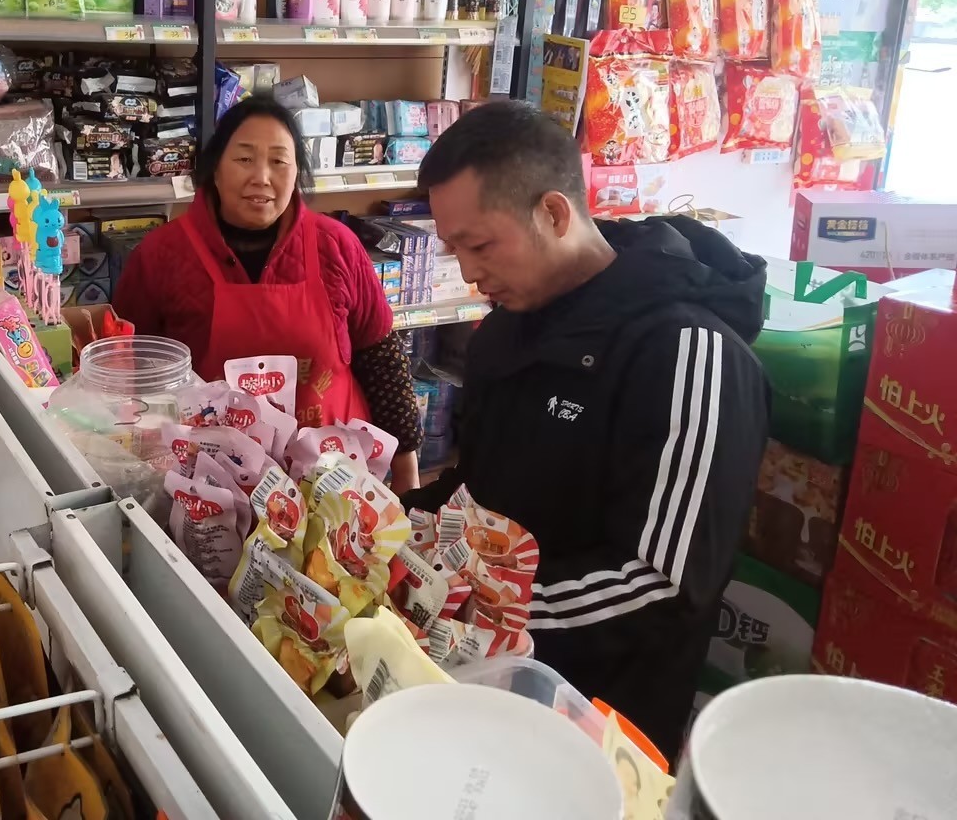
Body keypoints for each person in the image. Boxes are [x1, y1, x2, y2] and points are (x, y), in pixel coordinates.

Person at [405, 100, 768, 759]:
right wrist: (395, 528)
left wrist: (484, 613)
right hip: (486, 689)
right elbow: (478, 493)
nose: (468, 273)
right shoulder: (508, 328)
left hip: (602, 728)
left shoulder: (687, 351)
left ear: (553, 213)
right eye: (453, 249)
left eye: (479, 245)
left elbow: (661, 584)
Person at [113, 98, 424, 490]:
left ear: (297, 174)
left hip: (335, 487)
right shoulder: (161, 255)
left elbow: (380, 359)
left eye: (279, 161)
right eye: (244, 159)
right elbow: (131, 372)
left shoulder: (336, 246)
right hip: (210, 493)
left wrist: (407, 476)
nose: (261, 177)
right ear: (215, 169)